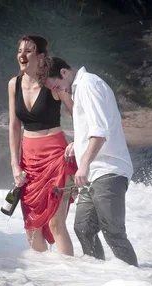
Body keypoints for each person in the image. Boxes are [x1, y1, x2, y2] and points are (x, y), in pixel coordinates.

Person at [39, 56, 138, 267]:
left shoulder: (88, 84)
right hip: (94, 171)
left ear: (64, 73)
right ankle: (97, 280)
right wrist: (78, 143)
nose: (57, 90)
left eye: (56, 85)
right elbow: (94, 126)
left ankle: (135, 285)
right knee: (83, 228)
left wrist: (82, 165)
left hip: (108, 170)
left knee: (114, 233)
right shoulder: (78, 88)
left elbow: (100, 132)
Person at [8, 35, 78, 256]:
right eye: (20, 50)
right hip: (28, 161)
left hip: (56, 157)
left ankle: (71, 280)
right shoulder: (14, 84)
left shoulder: (53, 83)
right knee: (32, 227)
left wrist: (78, 140)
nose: (22, 55)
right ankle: (45, 281)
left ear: (40, 56)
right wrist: (14, 165)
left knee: (57, 224)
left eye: (28, 51)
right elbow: (14, 126)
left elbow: (76, 112)